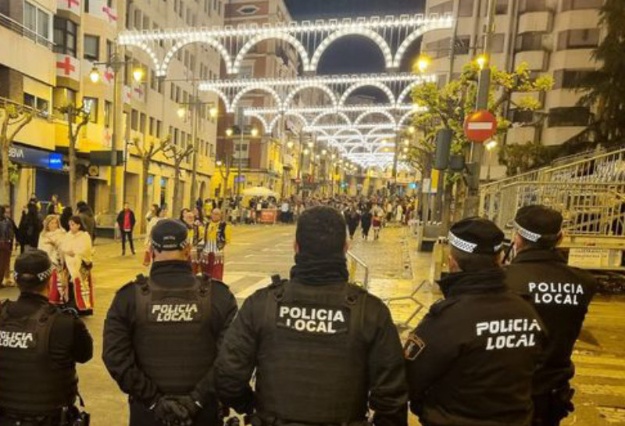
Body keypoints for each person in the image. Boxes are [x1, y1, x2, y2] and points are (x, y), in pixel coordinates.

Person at [214, 206, 408, 426]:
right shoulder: (371, 312)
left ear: (296, 247)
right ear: (346, 247)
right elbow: (392, 398)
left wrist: (254, 408)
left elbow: (228, 377)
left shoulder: (261, 305)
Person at [405, 217, 546, 426]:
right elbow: (537, 371)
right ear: (499, 259)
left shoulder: (447, 320)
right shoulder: (527, 312)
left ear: (452, 262)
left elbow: (410, 378)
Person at [103, 219, 238, 426]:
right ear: (188, 249)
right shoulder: (218, 296)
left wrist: (154, 402)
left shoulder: (128, 297)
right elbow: (230, 359)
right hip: (203, 416)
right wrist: (196, 402)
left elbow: (115, 358)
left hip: (148, 417)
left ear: (151, 249)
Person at [505, 205, 597, 426]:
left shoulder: (502, 280)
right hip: (552, 393)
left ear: (517, 239)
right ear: (560, 238)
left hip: (508, 392)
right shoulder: (584, 282)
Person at [0, 249, 93, 425]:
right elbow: (85, 355)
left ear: (17, 279)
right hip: (49, 418)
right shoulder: (65, 322)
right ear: (50, 280)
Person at [59, 216, 94, 315]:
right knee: (69, 286)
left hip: (80, 266)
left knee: (80, 286)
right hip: (69, 265)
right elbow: (63, 246)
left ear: (79, 225)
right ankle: (69, 305)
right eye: (70, 225)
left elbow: (86, 250)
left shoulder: (84, 236)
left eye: (73, 225)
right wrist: (66, 251)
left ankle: (81, 307)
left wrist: (75, 252)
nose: (71, 227)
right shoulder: (68, 235)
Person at [38, 215, 67, 304]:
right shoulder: (43, 235)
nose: (54, 225)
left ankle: (58, 300)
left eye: (56, 223)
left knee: (56, 282)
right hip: (46, 261)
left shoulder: (62, 234)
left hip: (57, 262)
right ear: (47, 224)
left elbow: (64, 247)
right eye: (52, 223)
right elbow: (40, 248)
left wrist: (54, 244)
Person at [200, 209, 230, 281]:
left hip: (217, 253)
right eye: (213, 213)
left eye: (217, 214)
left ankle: (216, 288)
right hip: (206, 252)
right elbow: (202, 236)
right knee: (205, 273)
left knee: (216, 273)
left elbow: (227, 240)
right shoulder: (206, 225)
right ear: (211, 214)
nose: (215, 216)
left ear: (220, 216)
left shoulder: (224, 226)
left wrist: (222, 250)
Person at [0, 207, 16, 288]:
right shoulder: (5, 222)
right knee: (2, 264)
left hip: (5, 243)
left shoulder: (8, 221)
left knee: (3, 264)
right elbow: (9, 234)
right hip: (4, 244)